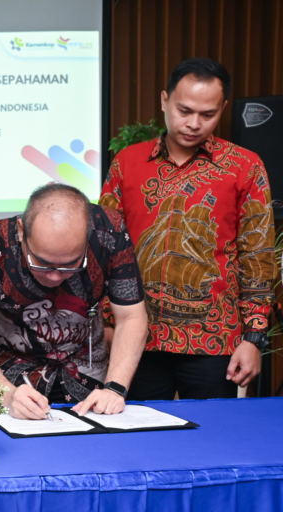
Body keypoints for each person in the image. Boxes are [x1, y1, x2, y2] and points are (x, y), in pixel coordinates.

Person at [100, 58, 274, 400]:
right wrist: (107, 322)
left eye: (208, 114)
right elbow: (106, 249)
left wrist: (254, 338)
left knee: (213, 431)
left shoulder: (245, 167)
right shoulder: (127, 163)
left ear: (223, 108)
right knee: (139, 428)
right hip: (136, 337)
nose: (194, 124)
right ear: (164, 100)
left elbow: (258, 257)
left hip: (214, 339)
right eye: (184, 110)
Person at [0, 183, 148, 419]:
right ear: (21, 231)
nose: (55, 276)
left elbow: (131, 317)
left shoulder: (110, 232)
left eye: (70, 264)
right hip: (10, 377)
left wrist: (114, 388)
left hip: (87, 372)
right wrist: (7, 395)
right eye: (42, 263)